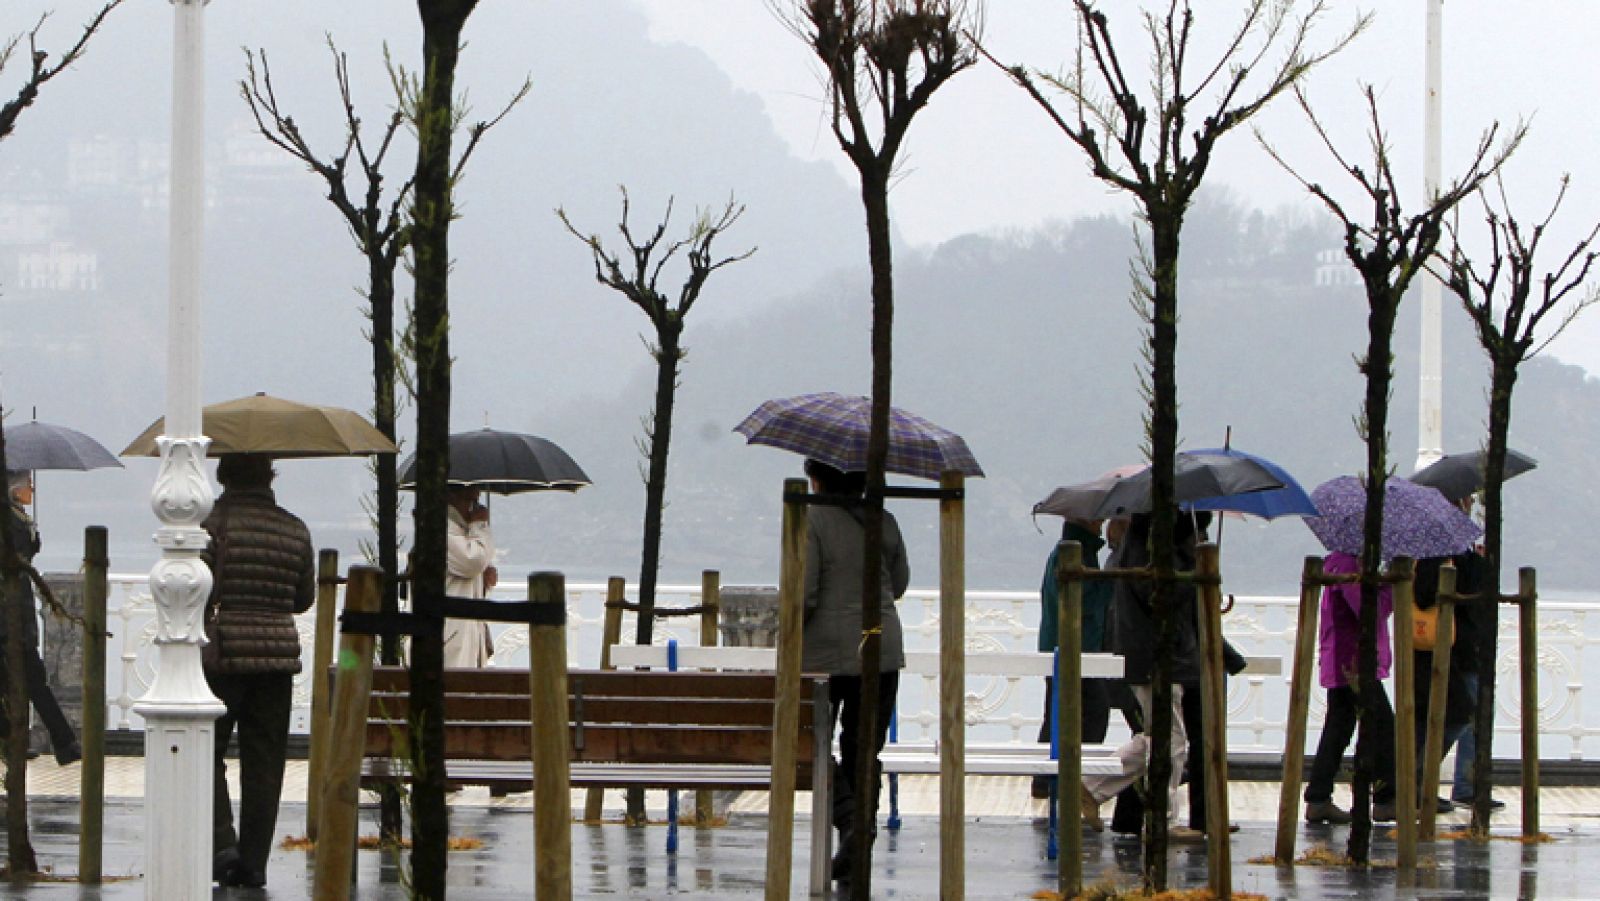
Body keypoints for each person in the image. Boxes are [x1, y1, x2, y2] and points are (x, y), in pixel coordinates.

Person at [203, 454, 315, 888]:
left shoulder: (209, 523)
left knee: (206, 752)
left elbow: (195, 586)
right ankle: (253, 862)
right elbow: (302, 599)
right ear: (270, 475)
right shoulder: (294, 528)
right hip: (277, 659)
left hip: (223, 654)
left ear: (223, 475)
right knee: (265, 761)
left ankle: (222, 844)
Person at [800, 459, 910, 884]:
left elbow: (805, 592)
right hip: (881, 649)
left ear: (817, 478)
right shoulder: (886, 520)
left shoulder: (811, 519)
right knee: (865, 748)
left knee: (814, 745)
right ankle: (859, 831)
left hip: (823, 655)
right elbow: (897, 584)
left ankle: (850, 822)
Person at [1080, 509, 1209, 843]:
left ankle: (1092, 786)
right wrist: (1196, 576)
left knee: (1161, 736)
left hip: (1156, 655)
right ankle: (1162, 819)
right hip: (1155, 657)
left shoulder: (1142, 546)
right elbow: (1160, 597)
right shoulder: (1149, 550)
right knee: (1170, 740)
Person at [1303, 550, 1398, 824]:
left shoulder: (1345, 563)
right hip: (1353, 661)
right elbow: (1370, 610)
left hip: (1348, 658)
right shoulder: (1346, 565)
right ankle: (1384, 798)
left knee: (1339, 727)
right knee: (1382, 727)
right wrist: (1391, 586)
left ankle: (1319, 797)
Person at [0, 470, 80, 766]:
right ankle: (60, 741)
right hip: (10, 614)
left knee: (29, 680)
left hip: (15, 612)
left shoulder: (17, 518)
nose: (32, 490)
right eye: (27, 486)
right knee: (31, 679)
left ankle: (31, 741)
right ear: (14, 490)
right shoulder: (10, 520)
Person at [1032, 516, 1112, 800]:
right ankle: (1071, 777)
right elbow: (1083, 601)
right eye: (1096, 520)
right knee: (1092, 713)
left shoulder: (1067, 551)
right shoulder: (1076, 554)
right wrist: (1109, 586)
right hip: (1073, 647)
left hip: (1062, 645)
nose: (1100, 523)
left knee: (1057, 713)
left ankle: (1047, 777)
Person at [444, 483, 498, 667]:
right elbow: (473, 561)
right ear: (452, 497)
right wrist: (480, 525)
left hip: (463, 633)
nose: (476, 509)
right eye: (471, 501)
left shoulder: (460, 532)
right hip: (451, 635)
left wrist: (482, 579)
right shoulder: (444, 530)